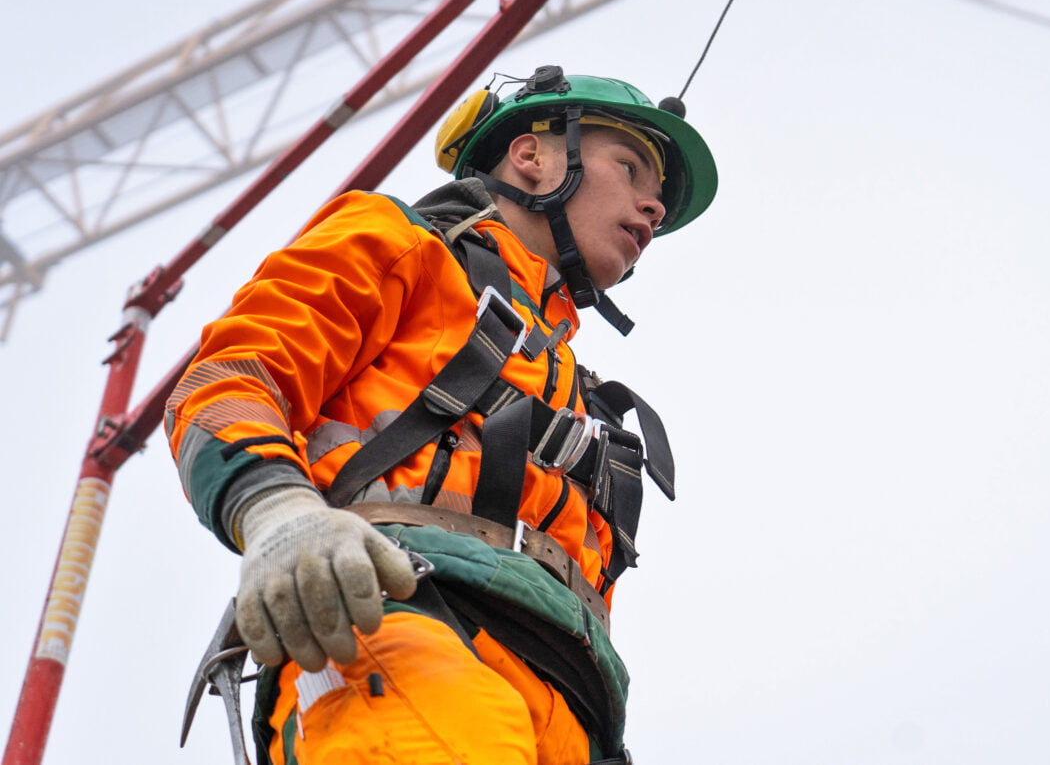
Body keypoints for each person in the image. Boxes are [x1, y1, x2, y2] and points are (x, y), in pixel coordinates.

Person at [164, 65, 717, 764]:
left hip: (569, 705)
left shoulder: (573, 386)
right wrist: (278, 513)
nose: (653, 207)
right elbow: (228, 378)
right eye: (630, 167)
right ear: (531, 156)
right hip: (400, 626)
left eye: (657, 195)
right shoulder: (403, 244)